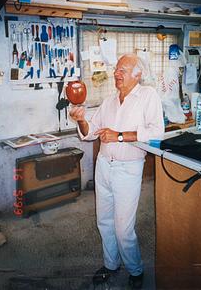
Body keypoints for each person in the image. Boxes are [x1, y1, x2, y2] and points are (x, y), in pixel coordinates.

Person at [69, 53, 164, 289]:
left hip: (128, 169)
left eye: (122, 70)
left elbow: (157, 133)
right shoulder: (109, 101)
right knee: (104, 221)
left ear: (137, 74)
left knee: (123, 227)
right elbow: (90, 132)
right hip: (103, 166)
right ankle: (111, 265)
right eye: (116, 70)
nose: (116, 74)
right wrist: (81, 120)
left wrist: (120, 136)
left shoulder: (148, 96)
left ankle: (135, 270)